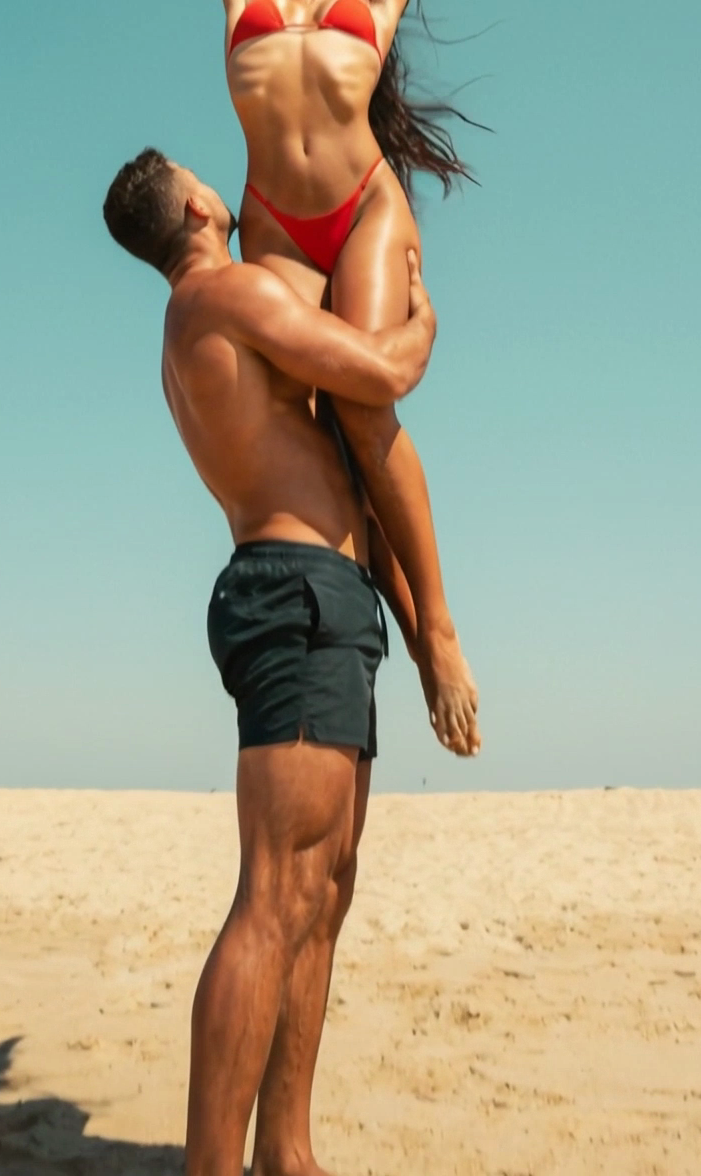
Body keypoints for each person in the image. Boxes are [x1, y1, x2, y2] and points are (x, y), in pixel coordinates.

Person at [102, 146, 472, 1176]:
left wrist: (408, 618)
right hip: (293, 594)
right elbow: (378, 372)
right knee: (275, 889)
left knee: (325, 883)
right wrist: (421, 323)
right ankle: (213, 1165)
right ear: (192, 203)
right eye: (195, 168)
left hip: (324, 596)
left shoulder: (198, 319)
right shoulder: (221, 295)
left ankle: (287, 1151)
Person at [179, 0, 479, 755]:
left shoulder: (369, 12)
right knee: (309, 418)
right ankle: (354, 603)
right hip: (273, 216)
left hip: (360, 211)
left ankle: (436, 625)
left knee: (362, 407)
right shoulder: (247, 7)